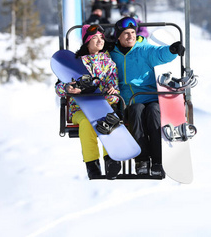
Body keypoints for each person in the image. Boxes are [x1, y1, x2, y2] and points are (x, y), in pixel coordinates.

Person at [109, 17, 185, 176]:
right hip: (129, 101)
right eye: (126, 34)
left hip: (150, 97)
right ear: (118, 36)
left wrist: (172, 50)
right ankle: (142, 159)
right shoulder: (112, 54)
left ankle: (158, 160)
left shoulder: (143, 49)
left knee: (153, 112)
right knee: (136, 111)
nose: (130, 36)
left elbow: (159, 53)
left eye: (132, 33)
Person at [55, 24, 122, 180]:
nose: (99, 41)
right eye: (94, 38)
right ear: (87, 41)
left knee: (107, 120)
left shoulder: (109, 63)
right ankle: (92, 165)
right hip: (80, 109)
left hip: (102, 107)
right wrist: (67, 88)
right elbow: (58, 89)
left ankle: (110, 160)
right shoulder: (74, 63)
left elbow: (115, 94)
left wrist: (112, 92)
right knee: (86, 122)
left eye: (101, 37)